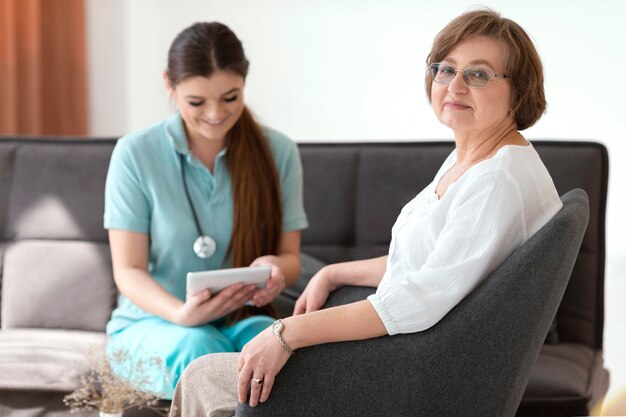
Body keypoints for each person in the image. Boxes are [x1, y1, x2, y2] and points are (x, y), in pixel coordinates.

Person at [169, 8, 563, 416]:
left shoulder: (497, 180)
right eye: (445, 69)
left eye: (478, 74)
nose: (455, 85)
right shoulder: (475, 157)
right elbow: (429, 265)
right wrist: (332, 272)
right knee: (225, 373)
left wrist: (287, 332)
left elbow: (418, 299)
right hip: (412, 351)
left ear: (519, 90)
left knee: (205, 376)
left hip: (413, 371)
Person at [103, 21, 307, 399]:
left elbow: (291, 257)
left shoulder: (278, 152)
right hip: (151, 324)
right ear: (170, 85)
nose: (215, 113)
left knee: (278, 347)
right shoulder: (135, 154)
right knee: (201, 352)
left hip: (235, 319)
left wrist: (275, 269)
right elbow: (128, 270)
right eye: (197, 102)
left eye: (230, 97)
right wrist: (182, 314)